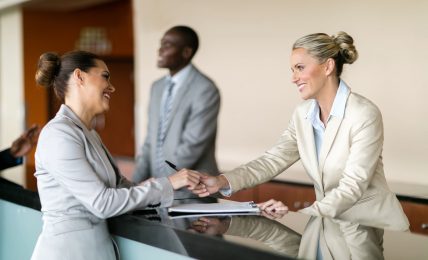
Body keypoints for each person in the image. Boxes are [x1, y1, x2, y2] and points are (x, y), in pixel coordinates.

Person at [189, 31, 409, 231]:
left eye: (300, 68)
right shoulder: (303, 114)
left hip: (373, 227)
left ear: (328, 67)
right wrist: (222, 181)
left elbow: (352, 186)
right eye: (292, 70)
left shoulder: (363, 113)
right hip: (330, 225)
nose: (293, 78)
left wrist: (299, 216)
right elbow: (272, 160)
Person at [31, 51, 201, 260]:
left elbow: (119, 186)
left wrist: (175, 187)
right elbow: (102, 203)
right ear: (79, 76)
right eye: (105, 76)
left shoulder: (88, 133)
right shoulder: (58, 135)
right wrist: (167, 184)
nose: (112, 87)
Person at [132, 25, 221, 199]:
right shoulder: (156, 87)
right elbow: (150, 141)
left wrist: (161, 184)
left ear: (186, 52)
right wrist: (133, 187)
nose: (160, 50)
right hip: (158, 190)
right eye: (161, 44)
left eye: (167, 45)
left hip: (194, 194)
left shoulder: (205, 89)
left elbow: (192, 145)